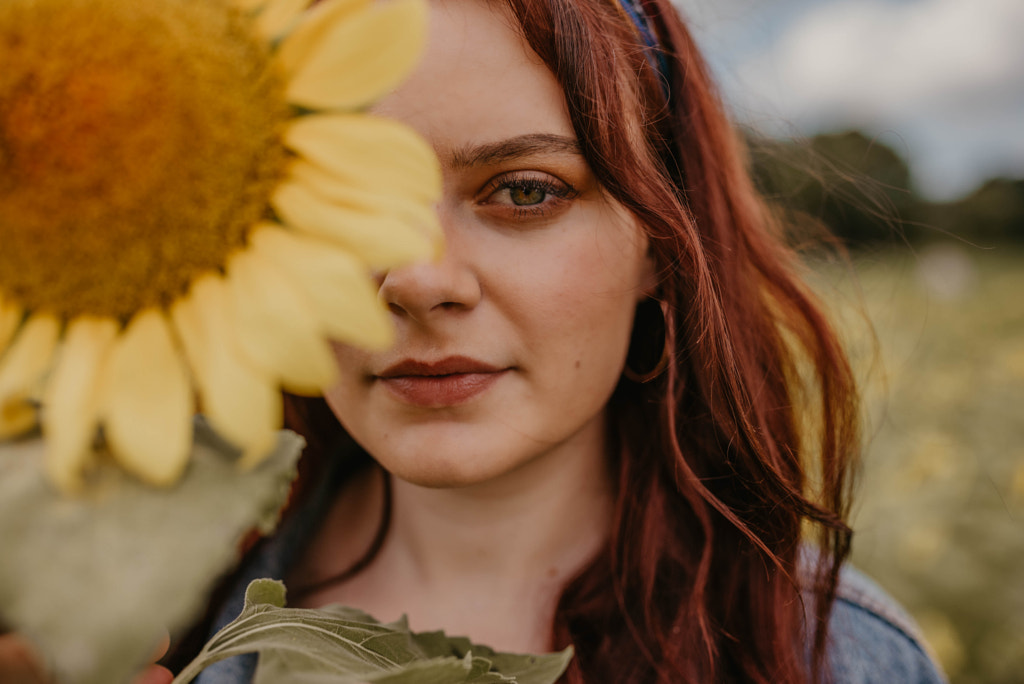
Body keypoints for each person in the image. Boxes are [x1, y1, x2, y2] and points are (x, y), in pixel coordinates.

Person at [6, 0, 947, 681]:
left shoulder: (839, 658)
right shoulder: (129, 605)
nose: (418, 279)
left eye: (526, 191)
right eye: (354, 204)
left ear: (662, 241)